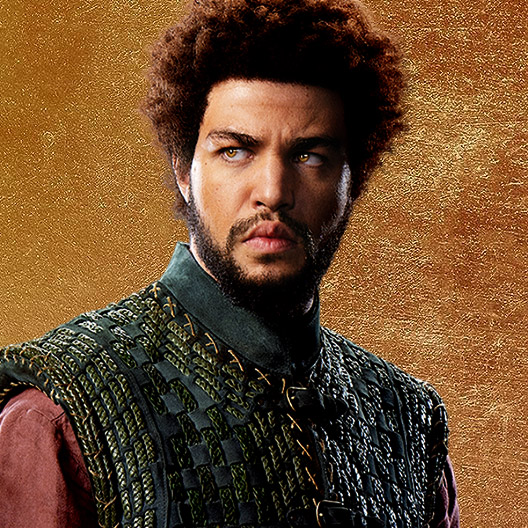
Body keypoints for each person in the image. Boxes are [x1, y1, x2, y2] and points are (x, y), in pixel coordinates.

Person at [0, 0, 459, 527]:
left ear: (352, 179)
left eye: (310, 155)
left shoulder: (408, 422)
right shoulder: (58, 413)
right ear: (183, 171)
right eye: (235, 151)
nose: (273, 192)